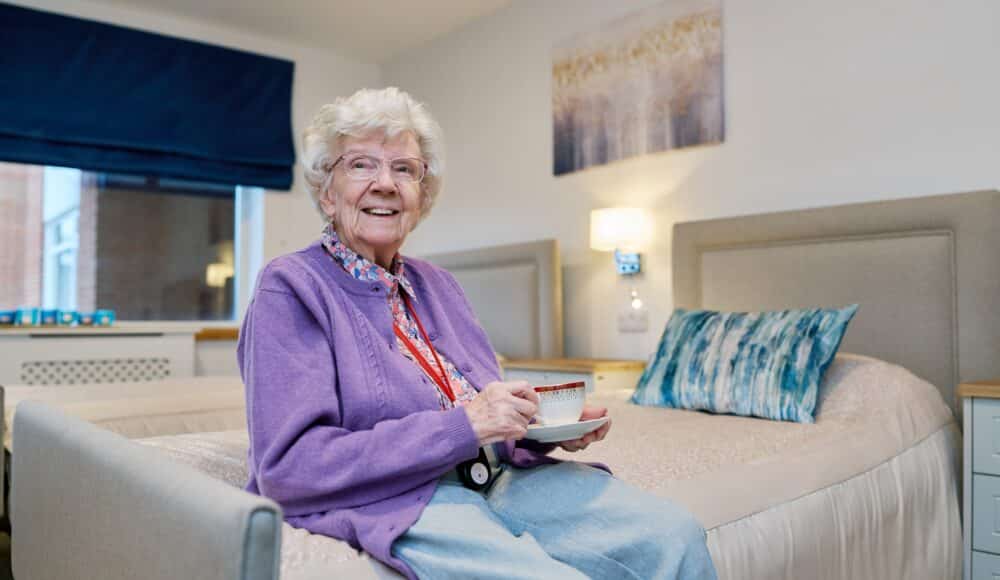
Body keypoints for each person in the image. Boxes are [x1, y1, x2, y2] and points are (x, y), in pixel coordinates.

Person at [238, 87, 716, 579]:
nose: (385, 183)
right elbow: (287, 468)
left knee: (675, 536)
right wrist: (465, 425)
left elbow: (487, 423)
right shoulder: (291, 286)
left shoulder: (438, 285)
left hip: (503, 477)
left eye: (404, 169)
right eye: (360, 164)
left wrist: (546, 432)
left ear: (421, 195)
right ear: (326, 191)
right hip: (405, 498)